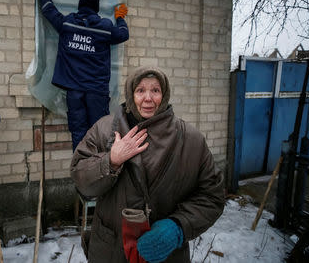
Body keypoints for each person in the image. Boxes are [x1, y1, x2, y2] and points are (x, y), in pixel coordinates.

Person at [71, 66, 225, 263]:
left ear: (165, 94)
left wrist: (178, 226)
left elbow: (213, 195)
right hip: (111, 251)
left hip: (166, 255)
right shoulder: (105, 129)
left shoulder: (190, 139)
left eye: (155, 90)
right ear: (130, 93)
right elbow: (80, 179)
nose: (148, 98)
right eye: (140, 90)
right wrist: (111, 161)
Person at [35, 0, 130, 151]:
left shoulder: (67, 24)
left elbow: (48, 10)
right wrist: (120, 18)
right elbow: (123, 34)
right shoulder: (104, 28)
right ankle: (97, 170)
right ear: (96, 9)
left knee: (79, 132)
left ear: (80, 6)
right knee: (99, 130)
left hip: (75, 91)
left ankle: (81, 170)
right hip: (96, 91)